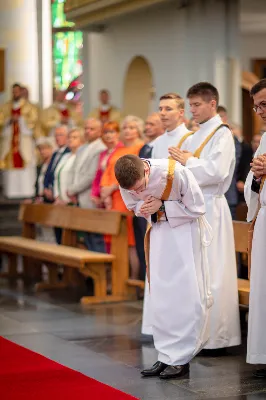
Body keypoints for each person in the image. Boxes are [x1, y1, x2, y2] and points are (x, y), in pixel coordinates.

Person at [115, 154, 213, 379]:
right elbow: (134, 206)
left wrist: (162, 207)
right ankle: (166, 354)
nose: (136, 192)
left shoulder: (174, 172)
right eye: (132, 190)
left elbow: (197, 208)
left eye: (140, 187)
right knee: (161, 294)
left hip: (184, 236)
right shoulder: (126, 182)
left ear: (146, 172)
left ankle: (181, 358)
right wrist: (143, 206)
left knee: (182, 293)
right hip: (159, 236)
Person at [169, 82, 241, 353]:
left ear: (213, 104)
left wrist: (188, 161)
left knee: (213, 271)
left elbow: (217, 173)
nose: (192, 110)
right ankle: (196, 333)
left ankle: (217, 337)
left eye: (197, 105)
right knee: (196, 272)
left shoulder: (221, 134)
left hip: (212, 207)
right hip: (194, 207)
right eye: (191, 105)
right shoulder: (194, 135)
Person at [100, 115, 144, 278]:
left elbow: (135, 175)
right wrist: (105, 192)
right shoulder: (118, 150)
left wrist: (112, 187)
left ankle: (133, 279)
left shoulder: (140, 148)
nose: (127, 131)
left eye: (132, 127)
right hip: (112, 201)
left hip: (127, 198)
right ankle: (119, 279)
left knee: (131, 242)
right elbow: (108, 172)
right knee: (116, 242)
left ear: (138, 130)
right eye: (125, 127)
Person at [244, 78, 266, 377]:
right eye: (257, 106)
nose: (260, 111)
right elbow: (254, 181)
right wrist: (258, 174)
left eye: (265, 105)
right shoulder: (264, 137)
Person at [67, 118, 106, 252]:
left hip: (90, 198)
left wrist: (72, 190)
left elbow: (91, 176)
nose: (88, 131)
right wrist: (72, 190)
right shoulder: (82, 148)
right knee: (86, 237)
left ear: (100, 131)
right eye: (86, 128)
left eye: (92, 129)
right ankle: (91, 271)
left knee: (96, 236)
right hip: (79, 197)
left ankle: (100, 268)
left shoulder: (101, 148)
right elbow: (74, 170)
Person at [135, 113, 164, 281]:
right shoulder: (145, 147)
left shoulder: (162, 146)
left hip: (155, 201)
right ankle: (144, 279)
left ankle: (154, 279)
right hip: (141, 200)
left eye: (152, 124)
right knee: (142, 243)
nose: (147, 127)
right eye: (146, 124)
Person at [0, 83, 41, 198]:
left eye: (17, 91)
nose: (15, 94)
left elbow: (33, 123)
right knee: (10, 164)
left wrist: (21, 120)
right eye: (13, 91)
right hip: (10, 140)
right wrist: (9, 120)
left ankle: (27, 191)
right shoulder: (5, 107)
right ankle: (11, 192)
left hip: (24, 141)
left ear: (21, 92)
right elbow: (1, 122)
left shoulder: (30, 107)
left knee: (25, 161)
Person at [91, 121, 124, 208]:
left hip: (116, 191)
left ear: (118, 133)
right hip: (103, 192)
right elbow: (98, 175)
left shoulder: (123, 149)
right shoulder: (103, 153)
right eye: (105, 132)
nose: (108, 135)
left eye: (112, 132)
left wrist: (109, 191)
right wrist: (95, 194)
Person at [151, 93, 191, 158]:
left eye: (168, 109)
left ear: (181, 112)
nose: (162, 113)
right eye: (160, 109)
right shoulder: (158, 141)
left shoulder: (190, 139)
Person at [54, 128, 84, 206]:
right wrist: (57, 196)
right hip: (60, 200)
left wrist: (70, 197)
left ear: (82, 140)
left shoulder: (82, 156)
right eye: (69, 137)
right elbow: (57, 176)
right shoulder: (65, 156)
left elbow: (78, 179)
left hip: (72, 199)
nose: (70, 139)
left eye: (74, 137)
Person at [43, 125, 70, 204]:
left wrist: (55, 192)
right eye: (56, 135)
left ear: (67, 137)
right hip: (50, 194)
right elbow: (48, 173)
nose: (57, 138)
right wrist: (46, 188)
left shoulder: (69, 153)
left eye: (61, 135)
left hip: (61, 195)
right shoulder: (55, 153)